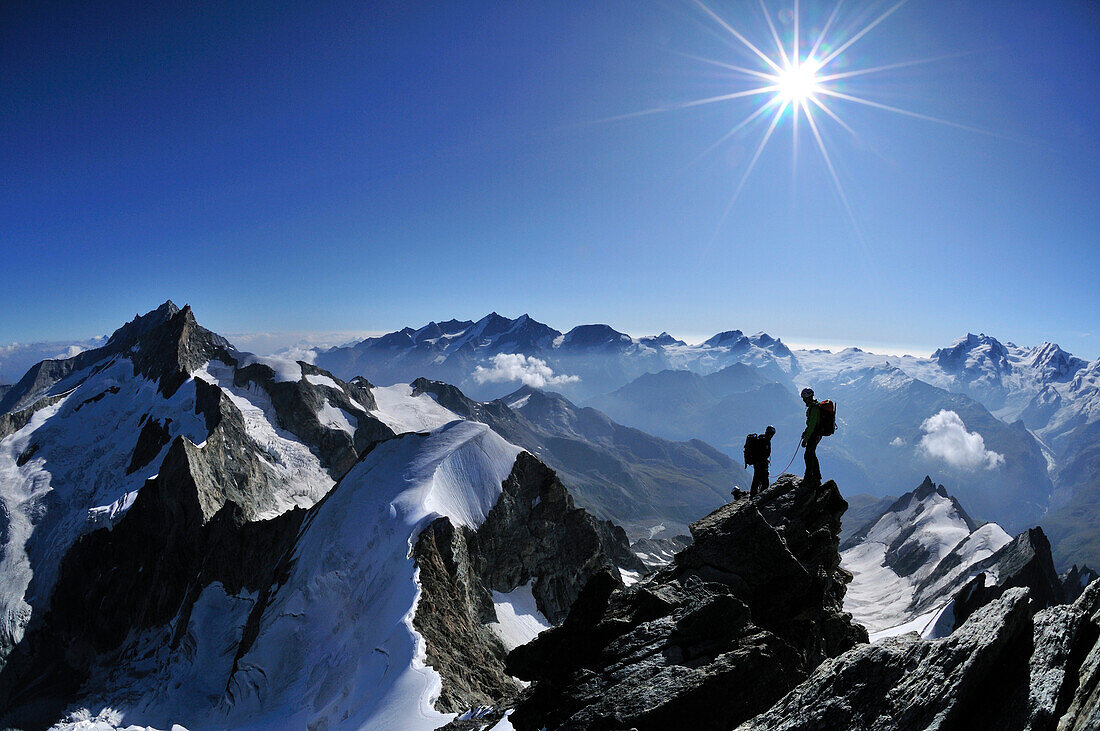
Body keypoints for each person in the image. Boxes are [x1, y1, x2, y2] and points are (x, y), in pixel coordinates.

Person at [746, 426, 776, 497]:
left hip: (758, 463)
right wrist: (763, 459)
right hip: (761, 464)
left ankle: (755, 495)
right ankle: (759, 496)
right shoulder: (764, 440)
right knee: (762, 481)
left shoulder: (762, 439)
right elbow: (762, 453)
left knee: (757, 479)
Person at [801, 387, 822, 485]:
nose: (803, 400)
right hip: (816, 434)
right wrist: (806, 432)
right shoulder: (813, 407)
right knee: (811, 454)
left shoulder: (814, 408)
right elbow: (811, 424)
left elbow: (812, 425)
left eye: (804, 398)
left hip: (814, 435)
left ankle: (809, 478)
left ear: (808, 397)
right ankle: (816, 477)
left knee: (808, 455)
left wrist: (805, 439)